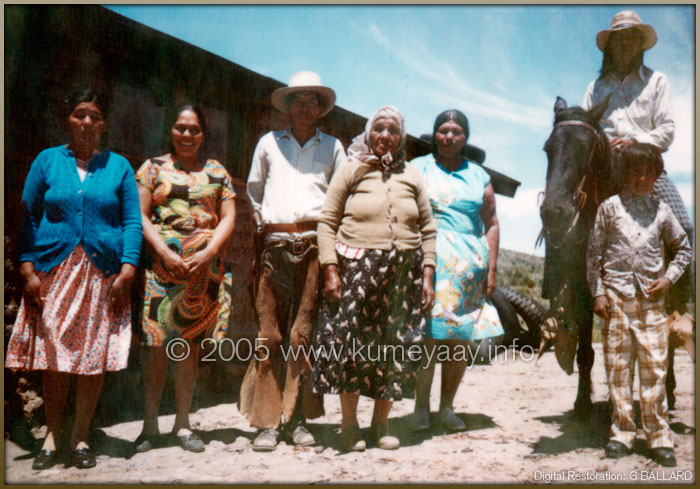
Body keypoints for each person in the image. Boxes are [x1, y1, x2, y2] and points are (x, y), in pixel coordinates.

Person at [5, 90, 143, 470]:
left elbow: (132, 220)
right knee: (55, 357)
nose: (86, 122)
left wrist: (129, 267)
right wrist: (27, 266)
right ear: (68, 119)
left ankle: (81, 435)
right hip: (56, 272)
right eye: (80, 114)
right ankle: (52, 435)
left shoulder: (119, 167)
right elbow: (28, 216)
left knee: (92, 357)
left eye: (95, 116)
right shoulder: (47, 160)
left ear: (104, 124)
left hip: (103, 276)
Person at [582, 8, 694, 410]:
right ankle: (564, 304)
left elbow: (667, 129)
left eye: (631, 38)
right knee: (570, 223)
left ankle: (680, 310)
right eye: (618, 39)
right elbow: (585, 126)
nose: (624, 44)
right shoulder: (596, 85)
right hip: (604, 168)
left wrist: (633, 141)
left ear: (640, 44)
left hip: (646, 167)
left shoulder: (657, 81)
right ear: (610, 46)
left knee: (683, 223)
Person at [312, 106, 437, 451]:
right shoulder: (352, 168)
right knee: (352, 345)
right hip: (357, 269)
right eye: (378, 129)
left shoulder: (411, 174)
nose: (385, 135)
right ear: (368, 134)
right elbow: (327, 222)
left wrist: (427, 274)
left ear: (401, 138)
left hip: (404, 274)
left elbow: (428, 228)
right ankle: (350, 426)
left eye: (393, 130)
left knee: (396, 346)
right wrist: (330, 268)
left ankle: (381, 424)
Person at [240, 71, 346, 452]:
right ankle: (267, 422)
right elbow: (254, 192)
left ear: (320, 109)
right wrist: (265, 225)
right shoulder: (269, 143)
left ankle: (297, 419)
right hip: (274, 246)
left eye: (311, 101)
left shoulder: (333, 147)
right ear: (287, 107)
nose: (305, 107)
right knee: (269, 334)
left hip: (314, 249)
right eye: (297, 100)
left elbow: (339, 200)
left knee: (303, 336)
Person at [134, 104, 236, 454]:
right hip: (162, 272)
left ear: (203, 134)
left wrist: (206, 254)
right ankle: (149, 426)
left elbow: (228, 218)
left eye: (194, 129)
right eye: (180, 128)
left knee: (188, 349)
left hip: (201, 274)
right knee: (157, 348)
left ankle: (182, 424)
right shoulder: (151, 169)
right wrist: (165, 253)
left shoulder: (217, 171)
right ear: (171, 131)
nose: (187, 135)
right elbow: (141, 215)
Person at [586, 143, 691, 467]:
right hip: (615, 303)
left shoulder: (662, 211)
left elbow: (684, 249)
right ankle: (622, 433)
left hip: (650, 305)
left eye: (648, 172)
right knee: (618, 372)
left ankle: (659, 437)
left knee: (654, 372)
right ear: (624, 173)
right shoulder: (609, 208)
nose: (641, 177)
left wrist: (669, 279)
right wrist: (599, 293)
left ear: (657, 175)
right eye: (634, 171)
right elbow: (593, 255)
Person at [409, 109, 503, 432]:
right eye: (443, 130)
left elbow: (491, 223)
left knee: (458, 338)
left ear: (466, 137)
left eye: (456, 131)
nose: (449, 136)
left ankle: (446, 408)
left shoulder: (479, 176)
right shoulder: (416, 168)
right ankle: (421, 408)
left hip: (468, 267)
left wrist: (491, 268)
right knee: (428, 336)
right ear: (434, 135)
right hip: (428, 261)